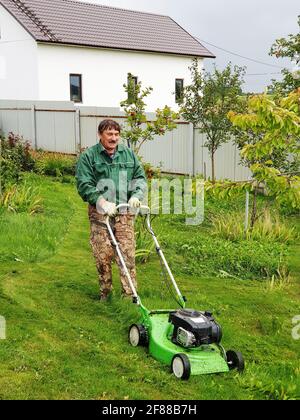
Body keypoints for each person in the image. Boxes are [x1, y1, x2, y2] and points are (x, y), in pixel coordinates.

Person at [75, 119, 147, 301]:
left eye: (116, 134)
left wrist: (136, 196)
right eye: (109, 134)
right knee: (103, 255)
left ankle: (129, 297)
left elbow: (139, 178)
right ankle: (105, 294)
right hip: (100, 213)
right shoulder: (89, 156)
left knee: (127, 255)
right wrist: (101, 202)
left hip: (124, 212)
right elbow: (84, 184)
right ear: (100, 135)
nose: (113, 138)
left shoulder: (128, 155)